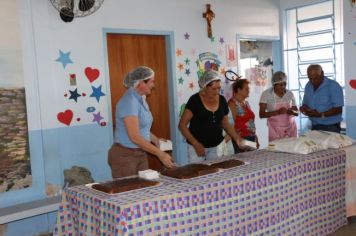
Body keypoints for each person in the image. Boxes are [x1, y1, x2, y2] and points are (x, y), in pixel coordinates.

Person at [108, 66, 174, 178]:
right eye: (151, 82)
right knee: (128, 192)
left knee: (144, 189)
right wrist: (160, 154)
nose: (153, 85)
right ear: (141, 83)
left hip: (141, 152)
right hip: (125, 156)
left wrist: (155, 140)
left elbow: (142, 127)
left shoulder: (141, 98)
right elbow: (134, 136)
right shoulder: (129, 101)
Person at [178, 70, 242, 164]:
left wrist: (236, 137)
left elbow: (225, 123)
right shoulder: (194, 100)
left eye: (219, 88)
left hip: (216, 147)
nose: (217, 92)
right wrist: (196, 144)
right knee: (197, 175)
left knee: (215, 175)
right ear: (204, 87)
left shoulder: (222, 100)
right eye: (213, 89)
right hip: (196, 149)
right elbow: (182, 125)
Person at [300, 64, 344, 133]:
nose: (312, 81)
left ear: (322, 73)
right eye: (310, 78)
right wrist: (304, 108)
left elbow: (338, 109)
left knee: (330, 144)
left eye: (315, 78)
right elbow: (306, 103)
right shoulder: (308, 85)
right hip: (314, 125)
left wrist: (320, 114)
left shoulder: (333, 86)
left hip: (331, 126)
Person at [259, 71, 298, 142]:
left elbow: (297, 112)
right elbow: (261, 114)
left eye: (284, 84)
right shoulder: (266, 94)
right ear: (274, 85)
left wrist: (292, 112)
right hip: (274, 130)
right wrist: (277, 112)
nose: (283, 87)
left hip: (290, 128)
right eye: (280, 85)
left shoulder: (290, 94)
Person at [228, 79, 259, 153]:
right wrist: (238, 139)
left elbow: (251, 121)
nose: (249, 91)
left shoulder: (246, 103)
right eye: (246, 89)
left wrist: (256, 137)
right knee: (243, 163)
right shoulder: (232, 104)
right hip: (241, 140)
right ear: (239, 90)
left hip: (251, 138)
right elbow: (230, 125)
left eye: (249, 89)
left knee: (253, 162)